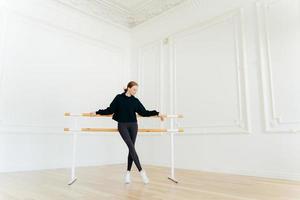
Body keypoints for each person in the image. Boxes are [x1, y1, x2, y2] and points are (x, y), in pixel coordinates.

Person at [90, 81, 166, 184]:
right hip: (122, 125)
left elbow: (144, 112)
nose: (135, 91)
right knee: (131, 146)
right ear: (129, 88)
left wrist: (157, 113)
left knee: (132, 148)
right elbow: (110, 110)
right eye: (134, 89)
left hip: (133, 125)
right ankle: (142, 172)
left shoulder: (135, 101)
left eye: (136, 90)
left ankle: (128, 174)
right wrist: (97, 112)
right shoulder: (118, 98)